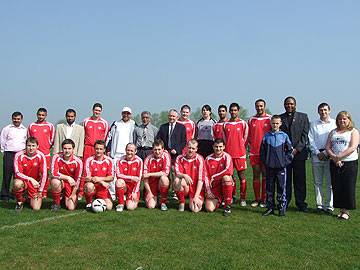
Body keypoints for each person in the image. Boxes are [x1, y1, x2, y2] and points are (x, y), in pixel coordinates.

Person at [326, 111, 359, 220]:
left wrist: (339, 157)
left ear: (349, 120)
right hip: (335, 163)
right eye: (340, 119)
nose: (342, 121)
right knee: (337, 187)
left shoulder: (353, 132)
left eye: (344, 119)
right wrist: (334, 158)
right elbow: (328, 147)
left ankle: (346, 211)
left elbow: (353, 147)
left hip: (349, 163)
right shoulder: (333, 132)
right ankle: (341, 209)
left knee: (348, 186)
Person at [280, 96, 310, 212]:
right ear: (284, 105)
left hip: (299, 154)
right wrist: (287, 150)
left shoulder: (303, 117)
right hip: (285, 154)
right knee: (286, 180)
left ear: (295, 104)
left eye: (291, 104)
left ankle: (301, 203)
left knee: (300, 180)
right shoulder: (280, 118)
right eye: (287, 104)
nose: (289, 106)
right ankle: (285, 202)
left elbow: (305, 135)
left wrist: (297, 149)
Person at [260, 115, 293, 217]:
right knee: (269, 188)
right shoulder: (266, 136)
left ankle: (281, 207)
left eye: (277, 123)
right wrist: (266, 161)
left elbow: (290, 150)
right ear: (270, 123)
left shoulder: (284, 136)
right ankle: (270, 207)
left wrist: (285, 162)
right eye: (273, 123)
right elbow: (262, 151)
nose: (275, 125)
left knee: (281, 187)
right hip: (269, 167)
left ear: (280, 124)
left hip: (281, 167)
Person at [308, 103, 336, 213]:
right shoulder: (313, 124)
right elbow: (310, 139)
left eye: (325, 110)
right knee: (317, 182)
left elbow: (335, 139)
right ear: (318, 111)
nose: (323, 112)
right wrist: (317, 152)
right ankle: (319, 205)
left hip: (330, 155)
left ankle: (329, 206)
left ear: (329, 110)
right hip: (316, 156)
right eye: (321, 110)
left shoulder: (334, 123)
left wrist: (325, 152)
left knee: (329, 183)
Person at [79, 103, 109, 199]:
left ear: (101, 111)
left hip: (99, 149)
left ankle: (99, 190)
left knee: (99, 169)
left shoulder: (104, 123)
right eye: (96, 110)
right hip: (88, 147)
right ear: (92, 110)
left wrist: (101, 148)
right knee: (85, 169)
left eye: (99, 111)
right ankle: (81, 191)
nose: (97, 112)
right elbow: (82, 135)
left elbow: (105, 137)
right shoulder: (86, 121)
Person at [223, 102, 249, 206]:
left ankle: (243, 198)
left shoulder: (243, 123)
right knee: (230, 177)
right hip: (229, 155)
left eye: (235, 110)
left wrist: (242, 151)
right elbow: (225, 140)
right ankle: (232, 196)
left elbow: (246, 139)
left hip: (240, 155)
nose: (233, 112)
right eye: (232, 110)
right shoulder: (225, 124)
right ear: (229, 111)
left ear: (238, 111)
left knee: (241, 176)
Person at [12, 137, 47, 212]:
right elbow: (18, 173)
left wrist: (40, 191)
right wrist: (31, 179)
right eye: (29, 145)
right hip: (24, 182)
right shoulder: (19, 155)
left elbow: (44, 174)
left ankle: (26, 197)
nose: (31, 148)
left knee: (36, 208)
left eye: (33, 146)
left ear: (37, 146)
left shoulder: (41, 156)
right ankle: (19, 202)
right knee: (17, 183)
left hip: (35, 184)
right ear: (26, 146)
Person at [247, 99, 271, 208]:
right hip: (254, 152)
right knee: (256, 176)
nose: (259, 108)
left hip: (266, 153)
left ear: (264, 106)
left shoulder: (269, 118)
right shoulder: (251, 119)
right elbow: (248, 136)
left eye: (261, 106)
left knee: (265, 175)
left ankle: (264, 199)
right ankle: (257, 199)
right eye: (257, 106)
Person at [28, 108, 55, 198]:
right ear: (37, 114)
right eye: (39, 115)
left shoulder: (50, 126)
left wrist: (46, 147)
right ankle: (33, 190)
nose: (41, 116)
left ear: (46, 115)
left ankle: (44, 191)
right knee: (34, 172)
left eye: (43, 115)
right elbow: (29, 139)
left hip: (45, 153)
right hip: (34, 154)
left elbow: (52, 140)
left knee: (45, 173)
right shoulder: (31, 125)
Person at [0, 111, 27, 201]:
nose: (16, 120)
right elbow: (2, 141)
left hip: (20, 155)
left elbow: (26, 142)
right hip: (9, 153)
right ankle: (4, 195)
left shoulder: (25, 130)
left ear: (21, 119)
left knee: (18, 175)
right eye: (14, 119)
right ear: (12, 119)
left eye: (18, 119)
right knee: (7, 174)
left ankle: (16, 194)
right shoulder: (7, 128)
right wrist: (4, 152)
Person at [50, 139, 83, 211]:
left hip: (71, 185)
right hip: (61, 182)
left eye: (69, 148)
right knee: (55, 182)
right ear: (62, 149)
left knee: (71, 208)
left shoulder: (78, 161)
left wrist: (73, 193)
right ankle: (56, 203)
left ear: (73, 149)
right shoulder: (56, 157)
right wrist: (67, 177)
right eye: (65, 148)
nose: (67, 151)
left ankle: (64, 197)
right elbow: (53, 173)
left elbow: (78, 180)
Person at [204, 139, 234, 216]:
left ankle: (227, 206)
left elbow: (229, 171)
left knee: (227, 178)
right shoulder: (208, 159)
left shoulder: (227, 157)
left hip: (224, 184)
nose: (218, 149)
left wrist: (214, 177)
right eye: (216, 147)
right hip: (214, 187)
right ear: (213, 147)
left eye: (220, 147)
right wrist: (208, 190)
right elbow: (205, 175)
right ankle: (220, 201)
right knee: (209, 209)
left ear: (224, 147)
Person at [174, 139, 205, 212]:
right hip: (186, 186)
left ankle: (194, 199)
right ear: (186, 147)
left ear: (196, 149)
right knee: (177, 180)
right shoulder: (179, 158)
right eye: (189, 147)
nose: (191, 150)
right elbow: (177, 173)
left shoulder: (200, 159)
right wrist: (184, 175)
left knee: (195, 210)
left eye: (193, 148)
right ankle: (182, 202)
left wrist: (196, 197)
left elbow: (201, 180)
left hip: (195, 188)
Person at [84, 140, 114, 211]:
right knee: (89, 186)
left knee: (109, 207)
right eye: (97, 149)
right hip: (93, 187)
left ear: (104, 150)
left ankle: (97, 199)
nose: (98, 151)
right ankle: (89, 203)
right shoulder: (89, 160)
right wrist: (101, 181)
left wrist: (99, 179)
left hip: (103, 189)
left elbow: (111, 177)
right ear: (94, 149)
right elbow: (87, 178)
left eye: (101, 149)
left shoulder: (109, 160)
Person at [143, 139, 171, 210]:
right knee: (151, 206)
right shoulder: (148, 159)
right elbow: (145, 178)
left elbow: (165, 172)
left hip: (160, 183)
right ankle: (155, 197)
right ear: (152, 149)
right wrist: (149, 192)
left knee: (164, 178)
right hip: (151, 185)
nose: (157, 152)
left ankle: (163, 202)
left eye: (159, 149)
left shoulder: (166, 156)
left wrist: (150, 174)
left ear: (163, 149)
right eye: (155, 149)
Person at [114, 143, 143, 212]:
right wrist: (131, 178)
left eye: (131, 151)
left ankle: (127, 199)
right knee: (119, 182)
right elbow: (118, 175)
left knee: (130, 207)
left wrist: (135, 192)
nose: (129, 152)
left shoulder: (139, 161)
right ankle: (121, 203)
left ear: (135, 152)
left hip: (133, 188)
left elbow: (139, 178)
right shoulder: (120, 160)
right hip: (124, 186)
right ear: (125, 150)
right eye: (128, 150)